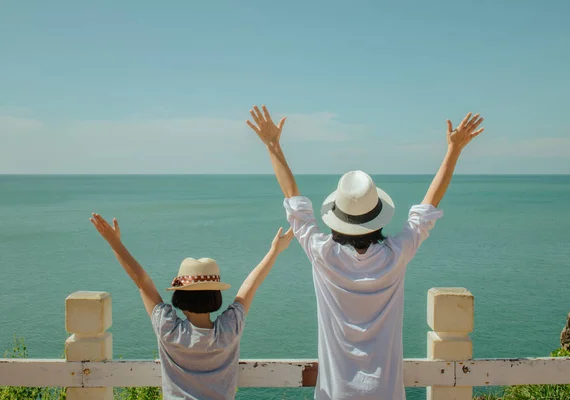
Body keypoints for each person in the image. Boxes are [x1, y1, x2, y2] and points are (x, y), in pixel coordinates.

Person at [247, 105, 485, 400]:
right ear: (378, 217)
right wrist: (454, 150)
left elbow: (294, 201)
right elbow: (428, 207)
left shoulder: (323, 254)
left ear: (336, 217)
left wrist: (273, 145)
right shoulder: (395, 255)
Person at [89, 213, 293, 399]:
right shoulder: (230, 329)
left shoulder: (168, 329)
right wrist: (274, 251)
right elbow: (251, 285)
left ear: (180, 297)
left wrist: (114, 242)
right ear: (216, 296)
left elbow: (142, 281)